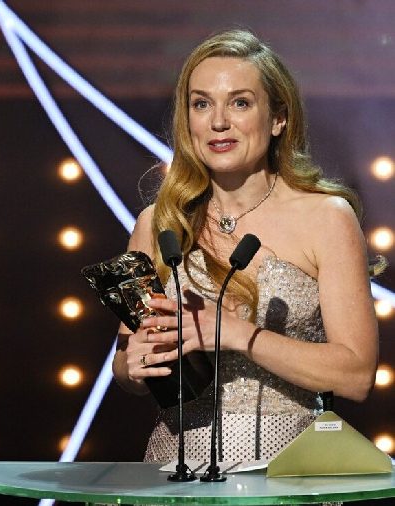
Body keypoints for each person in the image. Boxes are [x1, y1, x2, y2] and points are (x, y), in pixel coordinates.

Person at [112, 29, 380, 465]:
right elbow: (125, 365)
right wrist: (134, 366)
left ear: (278, 119)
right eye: (201, 104)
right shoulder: (158, 223)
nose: (219, 122)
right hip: (176, 467)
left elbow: (356, 375)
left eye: (240, 102)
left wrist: (237, 335)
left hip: (289, 472)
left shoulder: (327, 217)